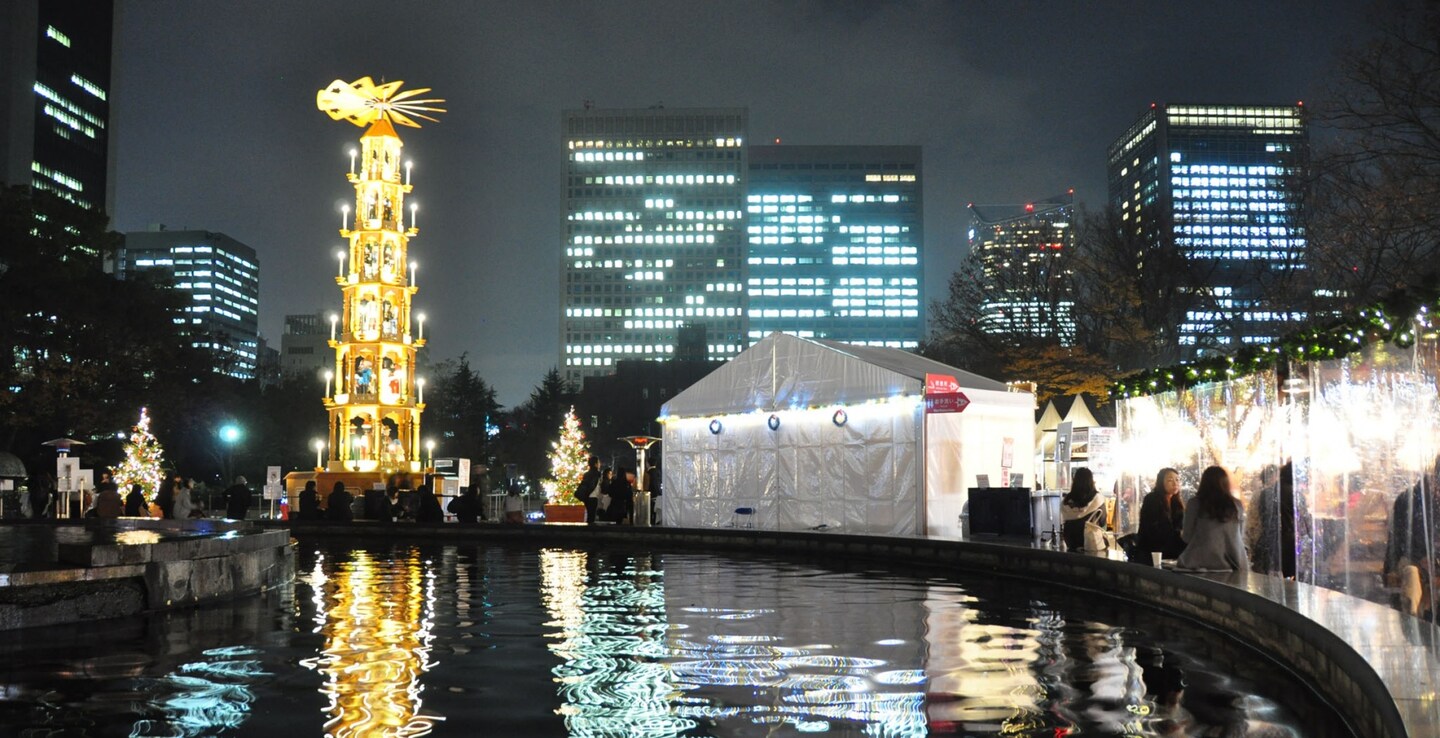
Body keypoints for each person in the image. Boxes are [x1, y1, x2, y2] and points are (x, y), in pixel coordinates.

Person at [1384, 458, 1440, 616]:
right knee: (1411, 573)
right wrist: (1422, 559)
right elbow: (1401, 541)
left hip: (1432, 560)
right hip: (1411, 560)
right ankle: (1413, 619)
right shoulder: (1408, 500)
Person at [1176, 466, 1249, 572]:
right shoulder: (1237, 505)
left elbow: (1187, 537)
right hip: (1233, 564)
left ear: (1203, 482)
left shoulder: (1194, 503)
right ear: (1226, 483)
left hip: (1199, 564)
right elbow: (1240, 536)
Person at [1251, 462, 1304, 578]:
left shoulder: (1266, 492)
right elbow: (1303, 520)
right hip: (1288, 544)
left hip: (1268, 541)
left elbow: (1262, 518)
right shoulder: (1295, 494)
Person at [1137, 467, 1186, 560]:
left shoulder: (1177, 503)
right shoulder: (1152, 499)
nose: (1175, 483)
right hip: (1153, 550)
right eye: (1170, 480)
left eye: (1177, 480)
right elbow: (1153, 530)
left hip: (1172, 549)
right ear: (1161, 482)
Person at [1061, 467, 1109, 554]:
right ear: (1091, 481)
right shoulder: (1097, 499)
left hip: (1072, 543)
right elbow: (1102, 521)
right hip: (1091, 543)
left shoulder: (1066, 501)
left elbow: (1064, 520)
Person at [578, 456, 603, 524]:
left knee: (589, 515)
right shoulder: (597, 473)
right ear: (595, 464)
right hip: (593, 496)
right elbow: (594, 486)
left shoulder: (586, 474)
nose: (599, 464)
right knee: (592, 516)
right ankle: (591, 531)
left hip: (587, 497)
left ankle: (588, 529)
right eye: (598, 462)